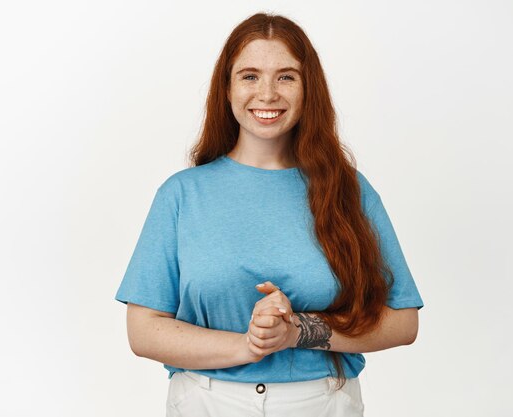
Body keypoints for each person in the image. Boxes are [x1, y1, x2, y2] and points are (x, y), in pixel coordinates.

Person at [114, 12, 424, 417]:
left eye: (286, 76)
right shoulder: (181, 194)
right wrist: (248, 344)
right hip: (207, 401)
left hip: (323, 402)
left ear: (307, 88)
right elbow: (143, 332)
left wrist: (297, 331)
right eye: (249, 76)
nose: (267, 93)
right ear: (226, 88)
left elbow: (402, 322)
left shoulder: (350, 190)